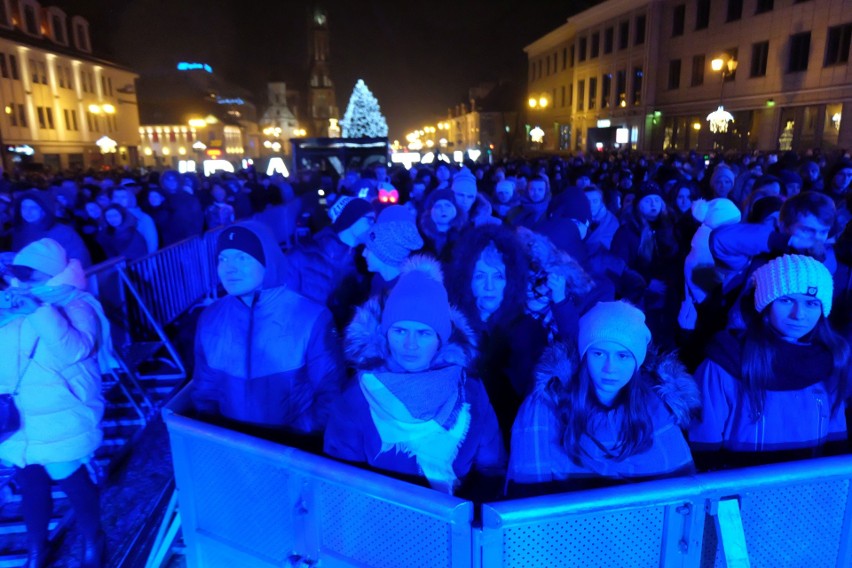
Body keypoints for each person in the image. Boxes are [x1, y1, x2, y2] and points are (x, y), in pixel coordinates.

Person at [324, 257, 506, 496]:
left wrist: (467, 518)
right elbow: (341, 485)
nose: (410, 345)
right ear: (385, 333)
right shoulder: (357, 398)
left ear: (441, 338)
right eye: (399, 331)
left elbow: (492, 468)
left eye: (423, 333)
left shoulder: (470, 391)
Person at [508, 301, 699, 495]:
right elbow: (528, 500)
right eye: (599, 353)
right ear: (585, 356)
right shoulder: (546, 406)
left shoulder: (657, 411)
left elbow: (683, 494)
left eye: (622, 356)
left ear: (637, 361)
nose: (610, 368)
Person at [0, 238, 111, 567]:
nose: (22, 281)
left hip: (61, 414)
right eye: (18, 274)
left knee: (71, 479)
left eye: (31, 275)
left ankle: (94, 537)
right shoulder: (13, 302)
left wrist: (37, 311)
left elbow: (73, 350)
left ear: (51, 274)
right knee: (29, 481)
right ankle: (38, 547)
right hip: (20, 417)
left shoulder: (78, 304)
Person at [688, 254, 849, 468]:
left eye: (811, 303)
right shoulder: (727, 361)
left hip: (809, 491)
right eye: (786, 300)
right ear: (765, 303)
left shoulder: (830, 361)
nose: (798, 314)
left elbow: (835, 442)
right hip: (744, 489)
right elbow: (704, 444)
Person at [192, 221, 345, 445]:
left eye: (242, 257)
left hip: (290, 455)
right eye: (223, 258)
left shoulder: (311, 318)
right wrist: (216, 438)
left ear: (267, 261)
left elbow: (330, 394)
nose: (230, 268)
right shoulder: (210, 318)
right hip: (232, 453)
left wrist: (300, 439)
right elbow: (205, 391)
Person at [361, 205, 423, 297]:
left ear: (386, 254)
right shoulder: (378, 279)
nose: (363, 254)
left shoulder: (406, 294)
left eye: (369, 249)